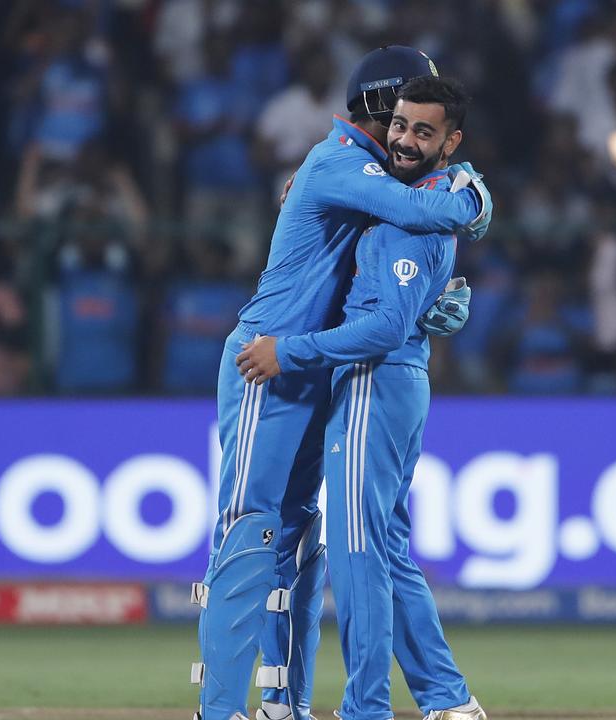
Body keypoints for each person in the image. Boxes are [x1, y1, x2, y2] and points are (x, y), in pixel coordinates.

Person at [189, 47, 491, 720]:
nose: (407, 137)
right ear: (386, 110)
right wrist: (475, 191)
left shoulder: (366, 170)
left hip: (307, 364)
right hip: (265, 361)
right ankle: (219, 711)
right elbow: (430, 212)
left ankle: (281, 703)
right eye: (404, 119)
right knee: (250, 532)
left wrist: (426, 302)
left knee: (296, 538)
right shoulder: (338, 163)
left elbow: (381, 266)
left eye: (424, 126)